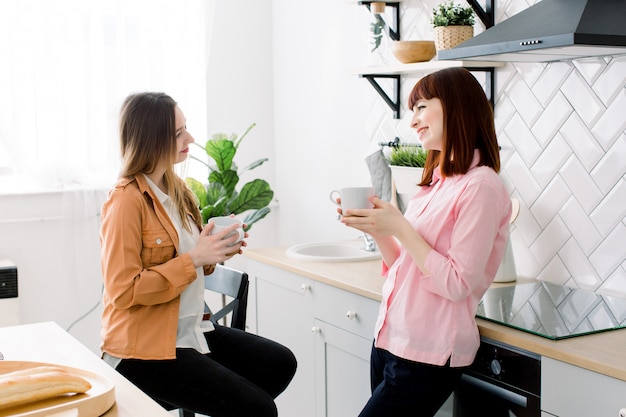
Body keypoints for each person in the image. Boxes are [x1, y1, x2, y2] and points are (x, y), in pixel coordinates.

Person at [99, 92, 296, 417]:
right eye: (178, 133)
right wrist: (193, 259)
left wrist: (214, 252)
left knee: (278, 364)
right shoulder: (125, 202)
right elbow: (124, 291)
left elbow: (190, 266)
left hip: (189, 331)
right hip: (141, 352)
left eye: (185, 128)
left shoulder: (178, 191)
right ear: (151, 139)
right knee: (259, 410)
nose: (190, 138)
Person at [338, 67, 512, 417]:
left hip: (427, 352)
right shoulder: (437, 182)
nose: (412, 120)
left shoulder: (481, 187)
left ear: (456, 106)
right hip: (390, 340)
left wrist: (401, 227)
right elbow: (406, 265)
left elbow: (457, 282)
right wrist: (378, 228)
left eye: (421, 106)